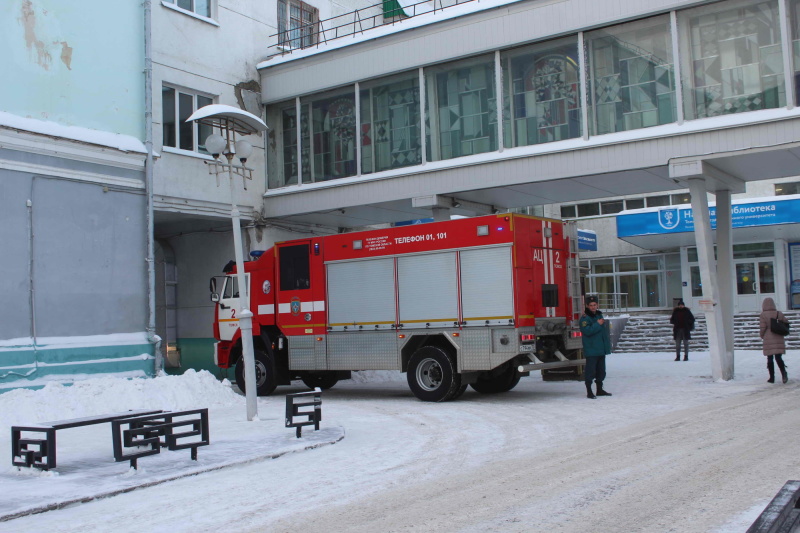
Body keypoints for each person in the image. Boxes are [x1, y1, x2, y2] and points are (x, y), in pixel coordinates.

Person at [580, 295, 612, 399]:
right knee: (590, 371)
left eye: (595, 305)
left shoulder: (599, 315)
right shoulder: (585, 318)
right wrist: (597, 324)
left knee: (601, 371)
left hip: (601, 349)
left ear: (597, 305)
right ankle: (589, 391)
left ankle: (599, 389)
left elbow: (603, 333)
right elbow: (587, 331)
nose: (593, 307)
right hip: (592, 349)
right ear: (587, 306)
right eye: (591, 305)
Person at [759, 297, 789, 384]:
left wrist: (762, 335)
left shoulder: (763, 315)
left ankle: (772, 377)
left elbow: (763, 327)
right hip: (778, 336)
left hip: (768, 338)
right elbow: (786, 322)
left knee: (770, 358)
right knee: (778, 357)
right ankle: (784, 374)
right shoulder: (778, 313)